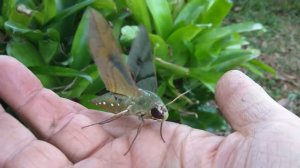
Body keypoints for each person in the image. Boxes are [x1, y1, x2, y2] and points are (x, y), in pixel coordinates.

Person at [0, 55, 299, 168]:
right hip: (114, 100)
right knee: (121, 112)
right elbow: (137, 114)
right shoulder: (142, 106)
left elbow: (155, 117)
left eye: (161, 114)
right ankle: (92, 121)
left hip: (128, 101)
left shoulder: (154, 110)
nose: (162, 117)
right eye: (160, 114)